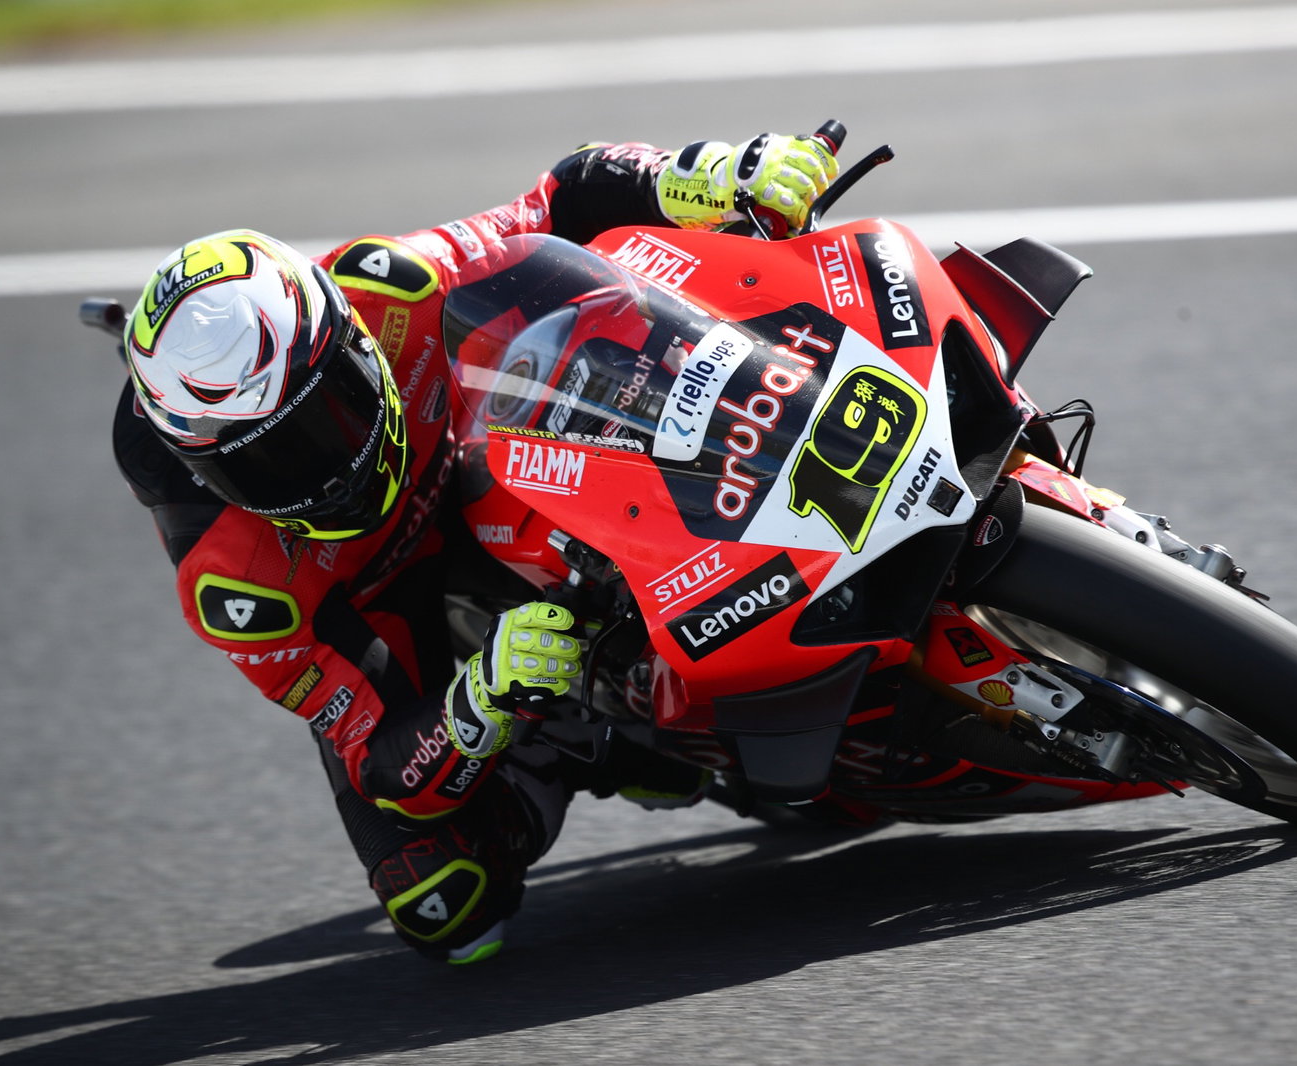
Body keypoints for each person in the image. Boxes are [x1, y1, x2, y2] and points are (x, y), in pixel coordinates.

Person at [110, 132, 839, 964]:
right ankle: (587, 742)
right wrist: (481, 698)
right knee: (445, 907)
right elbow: (378, 757)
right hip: (388, 607)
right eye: (262, 465)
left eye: (331, 411)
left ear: (351, 342)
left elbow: (555, 207)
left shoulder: (386, 286)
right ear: (204, 473)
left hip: (481, 463)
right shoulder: (239, 588)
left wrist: (699, 174)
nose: (320, 467)